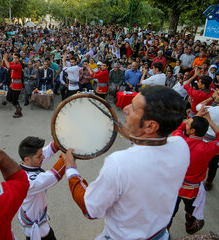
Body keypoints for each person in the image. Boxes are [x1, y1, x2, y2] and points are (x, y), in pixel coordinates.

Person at [62, 86, 190, 240]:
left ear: (150, 126)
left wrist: (71, 169)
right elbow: (152, 144)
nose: (126, 108)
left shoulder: (120, 163)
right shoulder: (181, 146)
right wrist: (131, 132)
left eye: (134, 108)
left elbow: (90, 209)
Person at [169, 108, 219, 234]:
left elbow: (178, 127)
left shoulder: (180, 140)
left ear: (191, 130)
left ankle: (166, 231)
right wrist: (209, 121)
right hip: (192, 190)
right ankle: (190, 227)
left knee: (170, 210)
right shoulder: (209, 148)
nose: (187, 123)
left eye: (189, 124)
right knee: (191, 210)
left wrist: (195, 117)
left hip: (174, 186)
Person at [18, 137, 65, 240]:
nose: (43, 157)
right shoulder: (29, 181)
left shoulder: (27, 164)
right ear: (27, 159)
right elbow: (54, 175)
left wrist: (63, 139)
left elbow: (48, 151)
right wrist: (68, 156)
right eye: (39, 156)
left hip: (33, 217)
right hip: (37, 228)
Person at [197, 87, 219, 191]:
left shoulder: (212, 110)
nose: (215, 95)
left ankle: (197, 180)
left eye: (218, 94)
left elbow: (198, 106)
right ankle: (209, 181)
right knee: (214, 164)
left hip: (205, 143)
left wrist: (210, 98)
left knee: (200, 162)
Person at [3, 53, 23, 118]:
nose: (14, 59)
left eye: (16, 58)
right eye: (14, 58)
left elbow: (8, 66)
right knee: (8, 98)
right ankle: (18, 108)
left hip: (17, 85)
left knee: (14, 100)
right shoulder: (13, 63)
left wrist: (6, 59)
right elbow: (4, 65)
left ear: (19, 59)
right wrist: (4, 59)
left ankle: (19, 112)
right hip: (12, 84)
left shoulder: (19, 65)